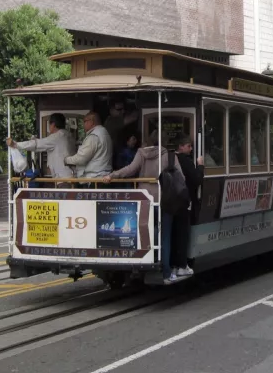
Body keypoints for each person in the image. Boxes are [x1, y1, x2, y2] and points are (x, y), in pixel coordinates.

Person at [105, 130, 183, 284]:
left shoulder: (141, 153)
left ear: (149, 140)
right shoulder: (170, 155)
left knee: (144, 231)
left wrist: (112, 175)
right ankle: (166, 273)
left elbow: (129, 170)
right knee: (165, 236)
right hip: (164, 200)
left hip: (144, 200)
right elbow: (181, 177)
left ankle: (143, 263)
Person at [6, 113, 75, 183]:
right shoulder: (69, 136)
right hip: (72, 176)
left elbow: (36, 144)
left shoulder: (56, 137)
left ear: (53, 125)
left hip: (63, 179)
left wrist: (15, 144)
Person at [172, 136, 204, 277]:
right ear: (181, 146)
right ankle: (182, 265)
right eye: (188, 146)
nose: (191, 149)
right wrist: (200, 165)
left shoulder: (169, 158)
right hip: (185, 202)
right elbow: (197, 179)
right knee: (183, 233)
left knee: (173, 233)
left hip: (170, 202)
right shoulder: (185, 161)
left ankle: (173, 264)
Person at [65, 111, 113, 179]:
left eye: (85, 121)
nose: (83, 124)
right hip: (104, 176)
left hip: (95, 177)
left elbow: (81, 158)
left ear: (91, 122)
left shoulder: (94, 136)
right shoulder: (104, 132)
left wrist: (66, 160)